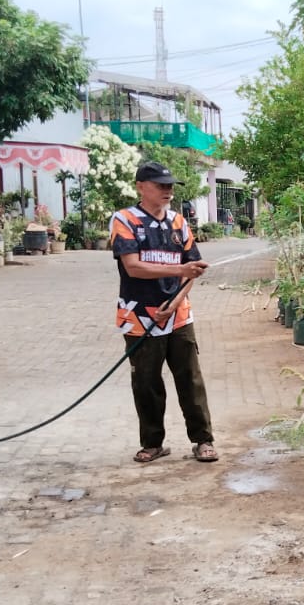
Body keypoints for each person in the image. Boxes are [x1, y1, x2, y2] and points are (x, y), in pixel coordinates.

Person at [109, 161, 217, 464]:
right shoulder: (125, 220)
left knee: (190, 380)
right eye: (161, 185)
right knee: (146, 382)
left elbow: (191, 270)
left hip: (178, 316)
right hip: (138, 317)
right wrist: (179, 269)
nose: (168, 190)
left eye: (170, 185)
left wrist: (175, 300)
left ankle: (203, 440)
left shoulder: (178, 222)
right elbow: (133, 266)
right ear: (141, 186)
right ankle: (153, 443)